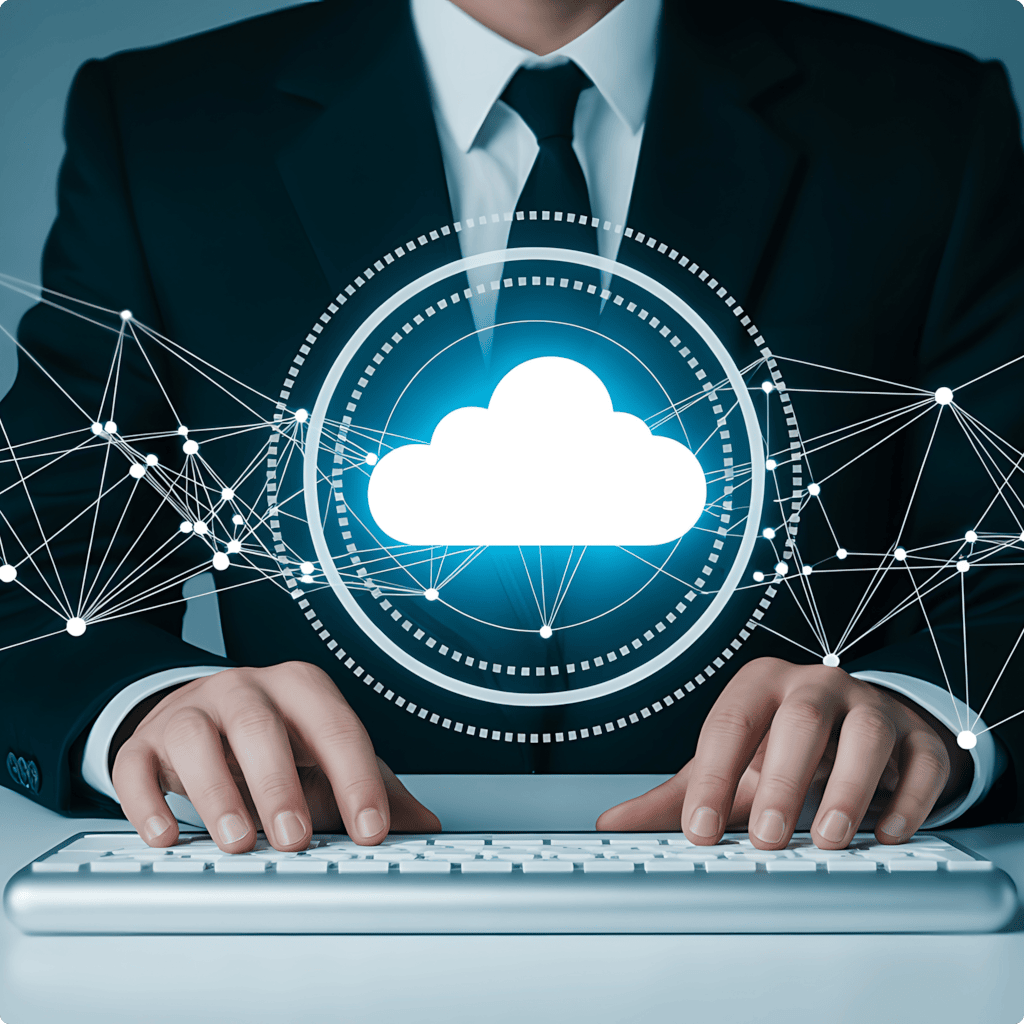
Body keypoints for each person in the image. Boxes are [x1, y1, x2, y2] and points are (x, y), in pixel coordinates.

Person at [2, 0, 1022, 857]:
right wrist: (145, 705)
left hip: (803, 882)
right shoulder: (163, 129)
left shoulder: (924, 125)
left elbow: (1008, 559)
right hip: (321, 893)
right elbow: (32, 568)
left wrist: (924, 712)